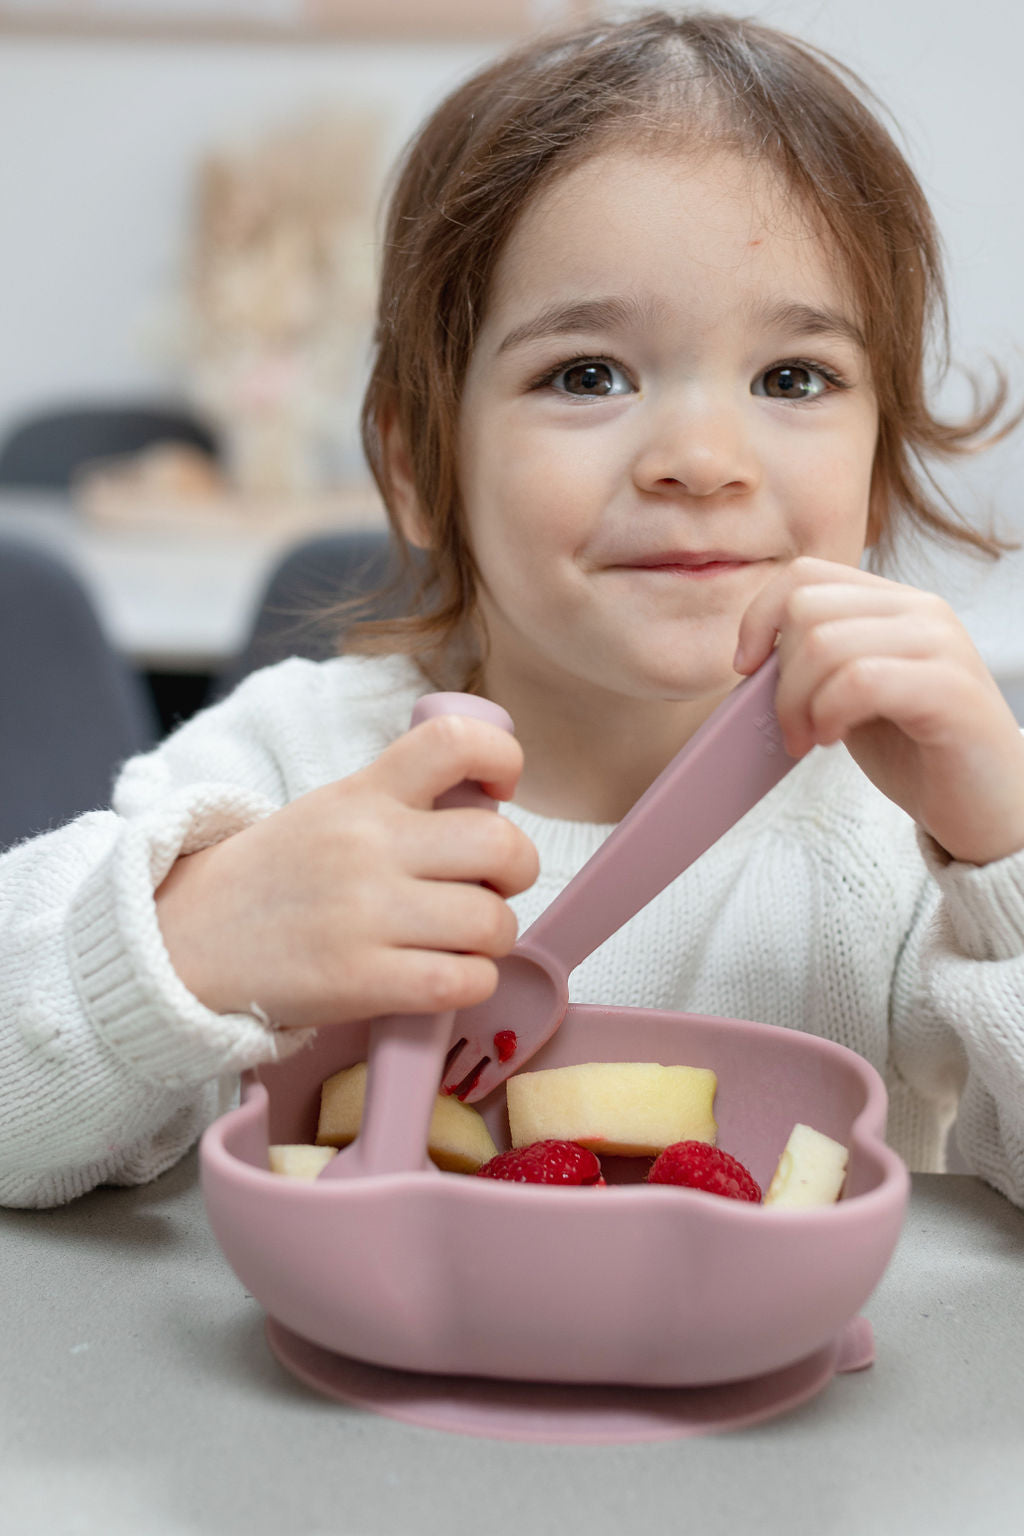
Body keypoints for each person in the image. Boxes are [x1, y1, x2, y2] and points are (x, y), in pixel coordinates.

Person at [2, 8, 1023, 1210]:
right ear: (419, 465)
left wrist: (1001, 857)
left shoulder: (906, 834)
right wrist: (196, 934)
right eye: (586, 374)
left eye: (792, 378)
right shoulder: (288, 770)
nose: (700, 457)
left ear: (878, 459)